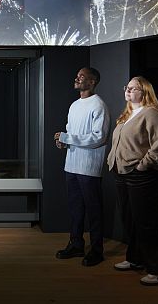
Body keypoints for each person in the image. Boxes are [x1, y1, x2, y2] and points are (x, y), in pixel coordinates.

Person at [107, 76, 158, 286]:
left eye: (134, 88)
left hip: (142, 176)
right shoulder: (127, 114)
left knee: (147, 222)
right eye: (127, 87)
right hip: (122, 173)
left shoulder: (152, 114)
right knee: (130, 219)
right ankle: (135, 259)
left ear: (144, 92)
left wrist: (142, 165)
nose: (128, 91)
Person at [54, 67, 110, 267]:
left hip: (89, 167)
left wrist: (68, 138)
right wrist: (63, 141)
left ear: (92, 81)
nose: (77, 78)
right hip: (72, 164)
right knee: (75, 208)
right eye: (77, 75)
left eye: (82, 76)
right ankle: (76, 244)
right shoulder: (74, 105)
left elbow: (98, 137)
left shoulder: (99, 105)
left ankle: (97, 250)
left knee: (94, 210)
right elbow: (71, 131)